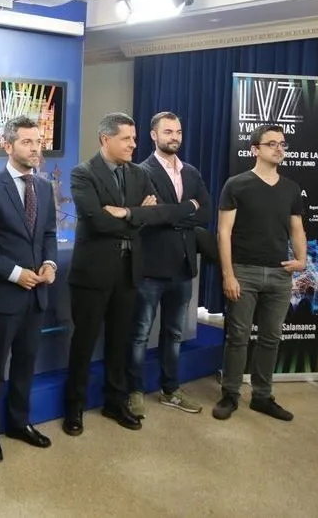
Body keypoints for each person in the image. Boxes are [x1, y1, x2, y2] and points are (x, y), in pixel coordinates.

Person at [61, 112, 200, 437]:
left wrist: (127, 212)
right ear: (105, 139)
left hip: (129, 272)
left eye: (135, 139)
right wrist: (140, 214)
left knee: (120, 342)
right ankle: (75, 408)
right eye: (127, 139)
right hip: (92, 275)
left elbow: (158, 213)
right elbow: (97, 221)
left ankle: (114, 401)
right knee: (83, 344)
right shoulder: (84, 173)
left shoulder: (138, 173)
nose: (133, 145)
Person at [0, 116, 57, 463]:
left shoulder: (44, 187)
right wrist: (15, 273)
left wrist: (50, 264)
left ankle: (19, 422)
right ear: (8, 146)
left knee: (25, 364)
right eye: (27, 143)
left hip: (36, 296)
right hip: (3, 295)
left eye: (38, 142)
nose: (35, 149)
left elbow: (47, 234)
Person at [213, 124, 306, 422]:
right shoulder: (236, 185)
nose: (279, 149)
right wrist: (228, 274)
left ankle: (263, 396)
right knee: (238, 336)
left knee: (271, 337)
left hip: (279, 275)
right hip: (245, 272)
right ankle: (230, 394)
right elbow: (223, 232)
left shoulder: (291, 188)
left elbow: (297, 228)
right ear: (255, 149)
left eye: (282, 144)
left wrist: (302, 260)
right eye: (272, 144)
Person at [127, 112, 211, 419]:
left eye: (178, 131)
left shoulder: (191, 172)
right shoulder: (140, 172)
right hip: (151, 267)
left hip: (183, 266)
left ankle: (170, 389)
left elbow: (205, 214)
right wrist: (187, 208)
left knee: (174, 333)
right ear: (153, 135)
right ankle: (133, 391)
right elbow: (146, 217)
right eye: (167, 131)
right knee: (139, 334)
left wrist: (171, 213)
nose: (174, 136)